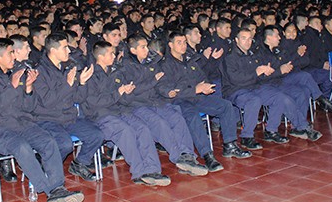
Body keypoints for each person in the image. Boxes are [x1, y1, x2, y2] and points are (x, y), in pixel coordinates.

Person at [0, 38, 85, 202]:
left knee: (48, 141)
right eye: (10, 53)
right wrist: (12, 88)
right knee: (22, 147)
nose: (14, 56)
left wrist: (28, 89)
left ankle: (58, 187)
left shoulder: (15, 72)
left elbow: (28, 107)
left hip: (22, 123)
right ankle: (51, 191)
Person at [82, 41, 171, 186]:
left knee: (142, 128)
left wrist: (126, 92)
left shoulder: (115, 71)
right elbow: (94, 102)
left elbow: (123, 97)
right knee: (126, 131)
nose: (115, 55)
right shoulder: (91, 74)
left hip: (119, 111)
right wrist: (119, 92)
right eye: (111, 53)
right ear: (101, 56)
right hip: (101, 116)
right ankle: (139, 172)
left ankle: (152, 169)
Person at [159, 32, 250, 171]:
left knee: (226, 106)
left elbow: (202, 77)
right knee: (193, 116)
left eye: (184, 42)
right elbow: (168, 91)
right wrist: (195, 89)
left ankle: (230, 145)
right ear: (170, 45)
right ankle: (207, 154)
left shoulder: (189, 60)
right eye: (179, 42)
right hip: (179, 101)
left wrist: (205, 86)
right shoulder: (164, 65)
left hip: (197, 97)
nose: (183, 45)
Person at [119, 34, 208, 176]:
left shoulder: (151, 63)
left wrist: (168, 91)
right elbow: (133, 91)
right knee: (160, 124)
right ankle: (178, 157)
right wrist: (153, 81)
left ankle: (188, 155)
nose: (146, 50)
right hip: (138, 105)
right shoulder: (126, 67)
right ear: (133, 50)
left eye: (146, 46)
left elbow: (160, 83)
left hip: (156, 101)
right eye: (142, 47)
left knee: (177, 118)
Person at [33, 33, 104, 181]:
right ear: (53, 50)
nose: (69, 51)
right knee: (65, 144)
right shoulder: (39, 72)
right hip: (47, 119)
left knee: (96, 135)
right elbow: (48, 101)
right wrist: (68, 84)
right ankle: (45, 167)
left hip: (68, 117)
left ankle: (79, 163)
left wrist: (82, 83)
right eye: (65, 48)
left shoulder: (67, 67)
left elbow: (78, 98)